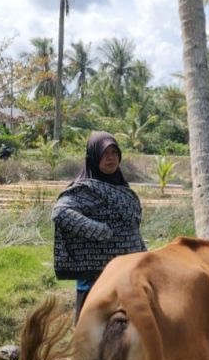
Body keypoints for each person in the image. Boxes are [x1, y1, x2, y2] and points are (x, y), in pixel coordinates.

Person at [52, 131, 146, 322]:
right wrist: (99, 231)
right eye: (104, 153)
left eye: (114, 152)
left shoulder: (124, 190)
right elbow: (60, 213)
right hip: (94, 279)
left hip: (126, 276)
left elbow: (132, 228)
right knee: (90, 339)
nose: (110, 158)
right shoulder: (83, 189)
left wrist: (143, 253)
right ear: (94, 157)